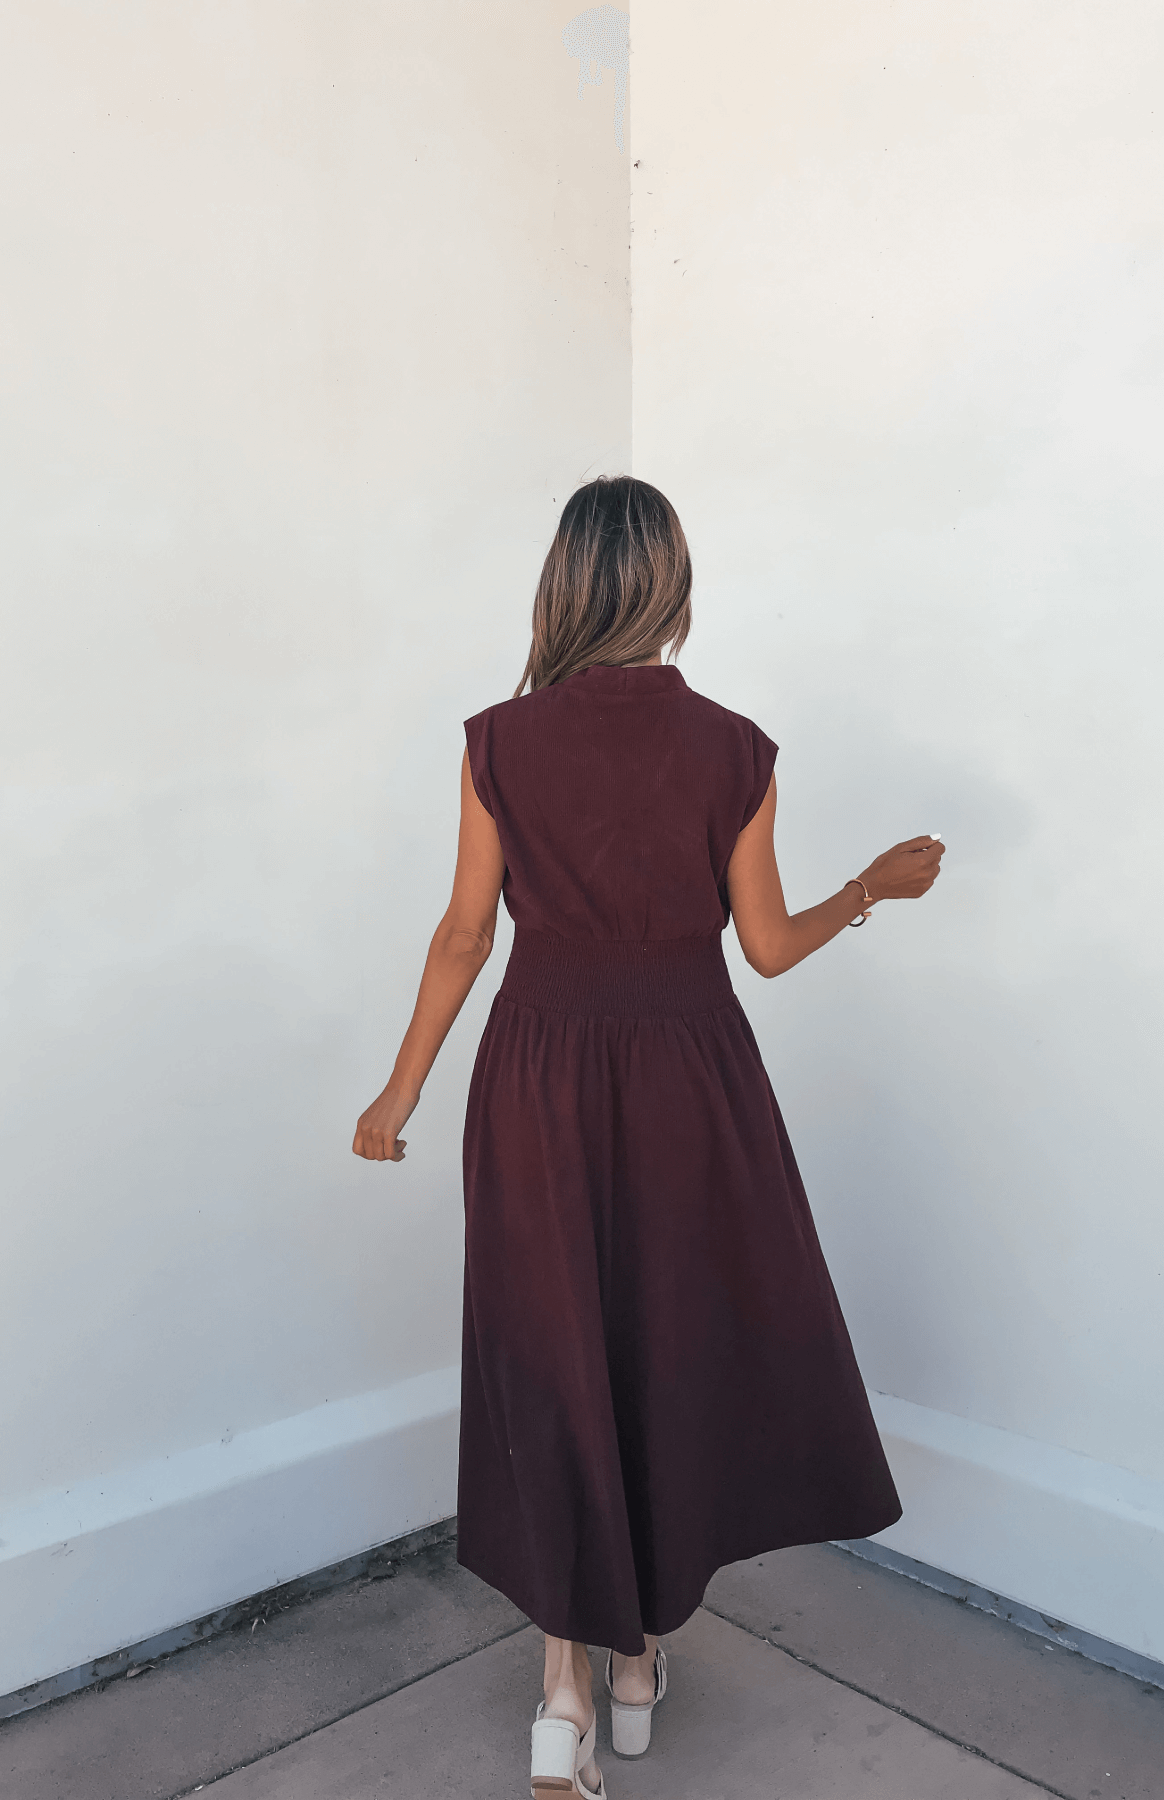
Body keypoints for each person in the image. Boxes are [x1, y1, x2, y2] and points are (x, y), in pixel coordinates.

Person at [353, 476, 945, 1798]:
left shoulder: (500, 740)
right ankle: (635, 1675)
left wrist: (397, 1096)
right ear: (671, 586)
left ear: (565, 583)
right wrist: (874, 888)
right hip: (693, 1076)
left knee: (555, 1343)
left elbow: (464, 935)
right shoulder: (737, 747)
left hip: (538, 1074)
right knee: (668, 1342)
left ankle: (562, 1694)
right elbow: (772, 950)